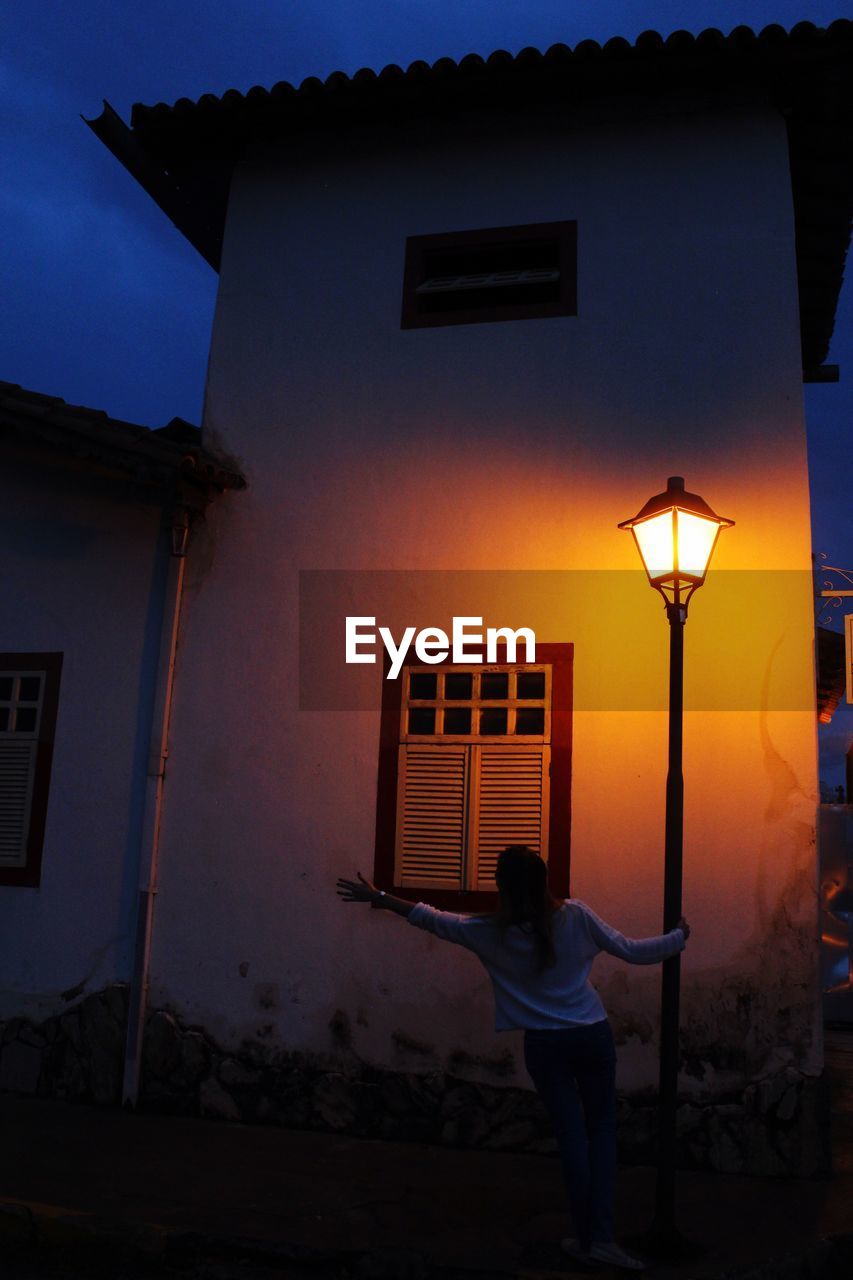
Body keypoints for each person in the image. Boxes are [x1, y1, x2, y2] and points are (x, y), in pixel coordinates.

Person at [336, 844, 689, 1272]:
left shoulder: (488, 932)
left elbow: (431, 918)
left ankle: (589, 1240)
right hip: (592, 1037)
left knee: (573, 1140)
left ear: (502, 888)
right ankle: (602, 1236)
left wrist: (380, 898)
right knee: (602, 1134)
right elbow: (633, 950)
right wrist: (679, 938)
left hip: (546, 1046)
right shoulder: (575, 916)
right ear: (543, 883)